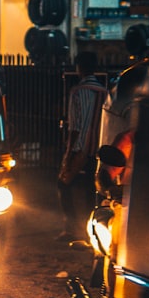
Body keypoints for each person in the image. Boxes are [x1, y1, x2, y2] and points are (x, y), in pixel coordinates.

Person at [56, 51, 107, 242]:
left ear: (80, 68)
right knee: (90, 191)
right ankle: (91, 232)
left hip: (80, 149)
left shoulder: (77, 91)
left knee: (63, 184)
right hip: (98, 149)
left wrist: (68, 154)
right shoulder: (105, 93)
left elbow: (75, 126)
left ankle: (70, 228)